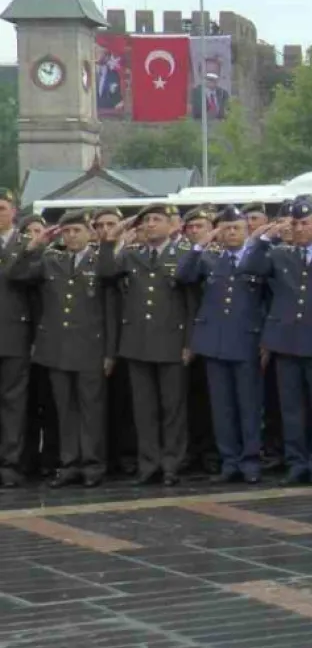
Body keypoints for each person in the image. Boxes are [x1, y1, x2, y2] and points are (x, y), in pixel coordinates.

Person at [243, 197, 312, 485]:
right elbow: (249, 267)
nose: (299, 228)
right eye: (295, 223)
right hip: (286, 341)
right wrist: (264, 237)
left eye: (305, 223)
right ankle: (296, 463)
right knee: (291, 409)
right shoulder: (280, 254)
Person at [9, 210, 117, 488]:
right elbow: (17, 275)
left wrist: (109, 352)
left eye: (77, 231)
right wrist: (32, 248)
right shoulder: (51, 261)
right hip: (57, 348)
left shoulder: (98, 261)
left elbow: (109, 308)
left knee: (91, 411)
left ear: (89, 233)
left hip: (90, 347)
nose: (71, 236)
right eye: (67, 232)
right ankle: (69, 464)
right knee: (65, 411)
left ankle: (92, 465)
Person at [99, 203, 192, 486]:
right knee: (144, 409)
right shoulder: (131, 255)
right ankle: (148, 464)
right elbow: (105, 273)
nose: (150, 224)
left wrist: (189, 343)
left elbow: (192, 303)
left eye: (156, 219)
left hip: (171, 342)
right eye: (146, 220)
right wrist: (111, 240)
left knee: (172, 409)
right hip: (138, 343)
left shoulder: (184, 255)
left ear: (170, 225)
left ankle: (171, 464)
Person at [177, 208, 266, 484]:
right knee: (222, 407)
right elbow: (183, 276)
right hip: (214, 342)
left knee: (248, 406)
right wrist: (200, 244)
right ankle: (229, 461)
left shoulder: (258, 258)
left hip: (246, 341)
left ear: (246, 231)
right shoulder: (209, 259)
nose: (231, 233)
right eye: (226, 228)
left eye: (237, 228)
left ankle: (250, 461)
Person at [0, 192, 31, 488]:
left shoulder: (27, 245)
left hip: (15, 336)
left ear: (14, 212)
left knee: (14, 404)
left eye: (2, 209)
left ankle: (11, 465)